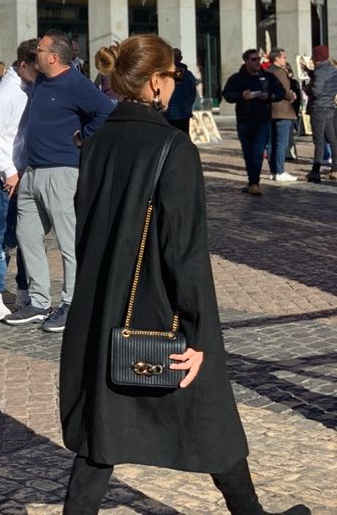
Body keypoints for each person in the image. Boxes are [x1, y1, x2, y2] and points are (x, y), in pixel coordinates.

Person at [59, 35, 309, 515]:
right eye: (173, 74)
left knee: (103, 422)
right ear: (155, 82)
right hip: (162, 305)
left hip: (102, 302)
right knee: (210, 414)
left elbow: (86, 227)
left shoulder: (97, 141)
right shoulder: (172, 147)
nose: (176, 83)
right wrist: (198, 331)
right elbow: (185, 250)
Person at [5, 30, 113, 333]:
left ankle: (71, 303)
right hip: (33, 171)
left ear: (53, 57)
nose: (34, 53)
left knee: (68, 242)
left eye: (39, 49)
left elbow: (105, 110)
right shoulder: (40, 79)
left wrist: (85, 138)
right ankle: (39, 302)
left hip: (63, 173)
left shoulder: (76, 83)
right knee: (27, 237)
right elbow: (21, 68)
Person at [0, 39, 37, 320]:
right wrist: (9, 170)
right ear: (23, 65)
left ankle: (23, 290)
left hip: (24, 172)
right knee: (4, 236)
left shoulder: (28, 85)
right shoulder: (7, 93)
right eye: (36, 69)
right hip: (9, 178)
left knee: (25, 235)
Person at [222, 49, 284, 195]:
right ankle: (252, 181)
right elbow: (227, 95)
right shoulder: (237, 78)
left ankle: (255, 183)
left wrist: (268, 96)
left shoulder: (268, 77)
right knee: (248, 153)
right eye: (253, 59)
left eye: (258, 59)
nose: (257, 62)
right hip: (244, 120)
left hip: (262, 120)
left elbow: (280, 92)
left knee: (257, 152)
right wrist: (241, 95)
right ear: (246, 61)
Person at [304, 45, 337, 183]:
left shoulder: (320, 71)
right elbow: (326, 79)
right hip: (330, 106)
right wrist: (310, 72)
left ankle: (315, 171)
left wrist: (307, 89)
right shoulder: (333, 69)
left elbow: (317, 91)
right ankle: (335, 169)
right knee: (333, 139)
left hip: (319, 108)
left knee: (318, 141)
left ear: (316, 57)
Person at [266, 49, 299, 183]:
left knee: (271, 142)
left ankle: (273, 171)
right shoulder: (280, 72)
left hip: (270, 110)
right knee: (281, 142)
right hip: (283, 110)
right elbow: (285, 91)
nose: (285, 60)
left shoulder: (267, 71)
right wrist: (292, 95)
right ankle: (279, 171)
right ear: (277, 58)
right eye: (284, 57)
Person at [164, 47, 197, 134]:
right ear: (181, 58)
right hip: (183, 112)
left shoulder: (167, 73)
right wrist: (188, 105)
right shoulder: (188, 74)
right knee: (183, 135)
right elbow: (193, 93)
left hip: (169, 113)